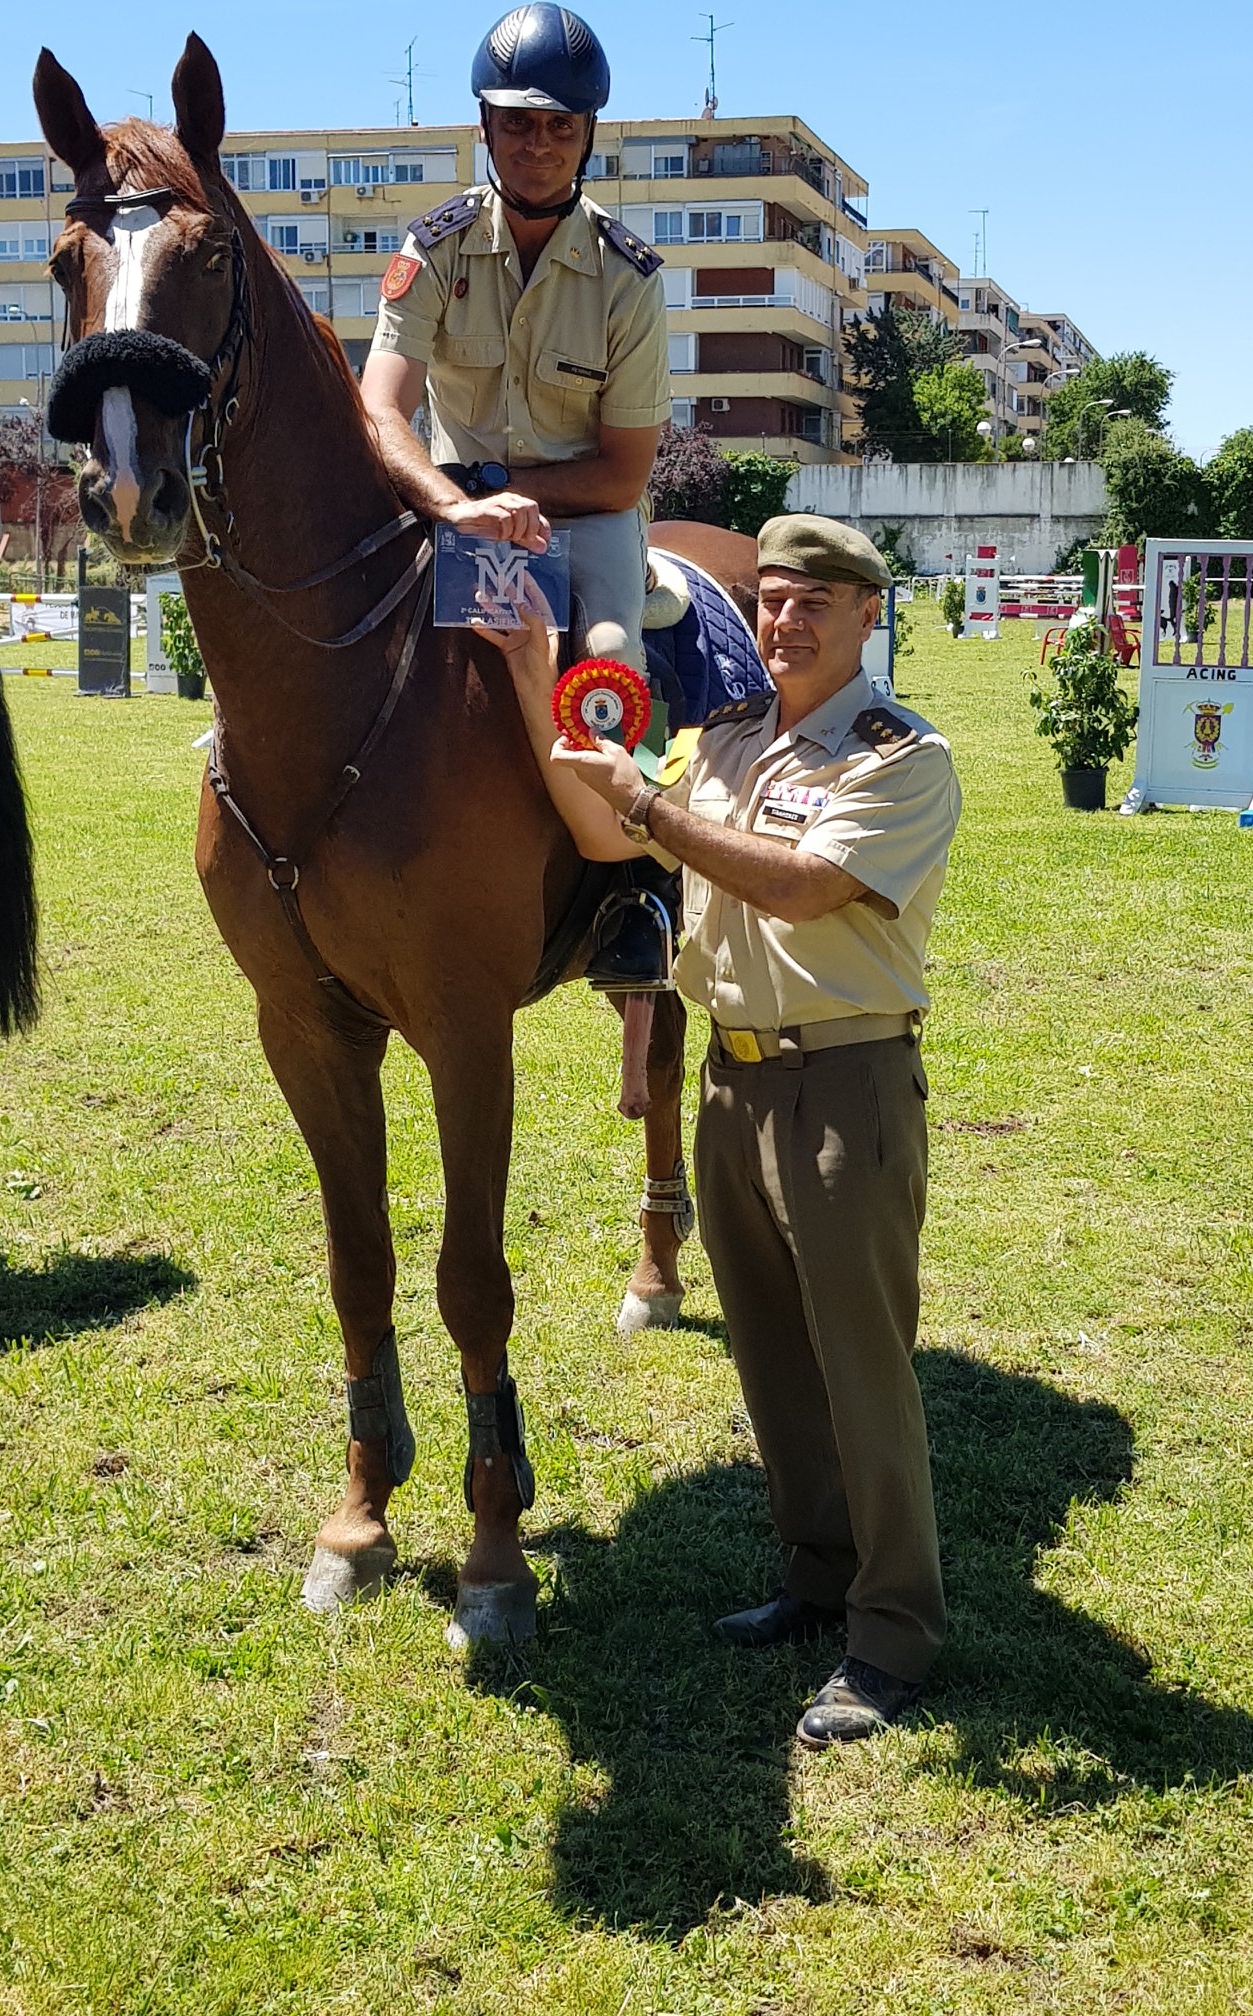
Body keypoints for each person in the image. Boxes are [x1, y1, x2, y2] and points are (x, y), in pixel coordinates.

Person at [486, 515, 962, 1745]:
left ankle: (892, 1633)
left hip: (844, 1084)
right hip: (731, 1080)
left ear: (867, 616)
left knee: (861, 1366)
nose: (785, 622)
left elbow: (800, 887)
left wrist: (651, 802)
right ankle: (816, 1577)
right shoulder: (729, 737)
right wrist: (535, 676)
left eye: (816, 603)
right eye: (772, 601)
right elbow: (606, 832)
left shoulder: (899, 758)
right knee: (772, 1358)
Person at [361, 3, 673, 986]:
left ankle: (631, 893)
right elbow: (379, 410)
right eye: (518, 122)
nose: (538, 143)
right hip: (459, 518)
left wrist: (494, 488)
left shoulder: (628, 277)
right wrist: (457, 507)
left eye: (559, 125)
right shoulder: (434, 248)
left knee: (608, 661)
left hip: (589, 519)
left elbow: (622, 472)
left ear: (587, 136)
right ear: (485, 127)